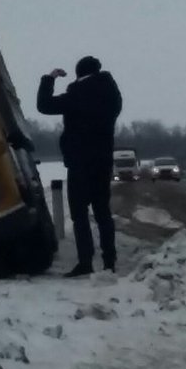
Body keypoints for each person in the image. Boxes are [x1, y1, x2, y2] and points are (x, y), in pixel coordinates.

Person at [37, 55, 123, 277]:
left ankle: (85, 262)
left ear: (79, 73)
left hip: (80, 162)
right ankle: (109, 262)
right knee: (103, 212)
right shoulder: (112, 94)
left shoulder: (77, 95)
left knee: (80, 214)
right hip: (103, 161)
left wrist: (50, 77)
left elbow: (44, 105)